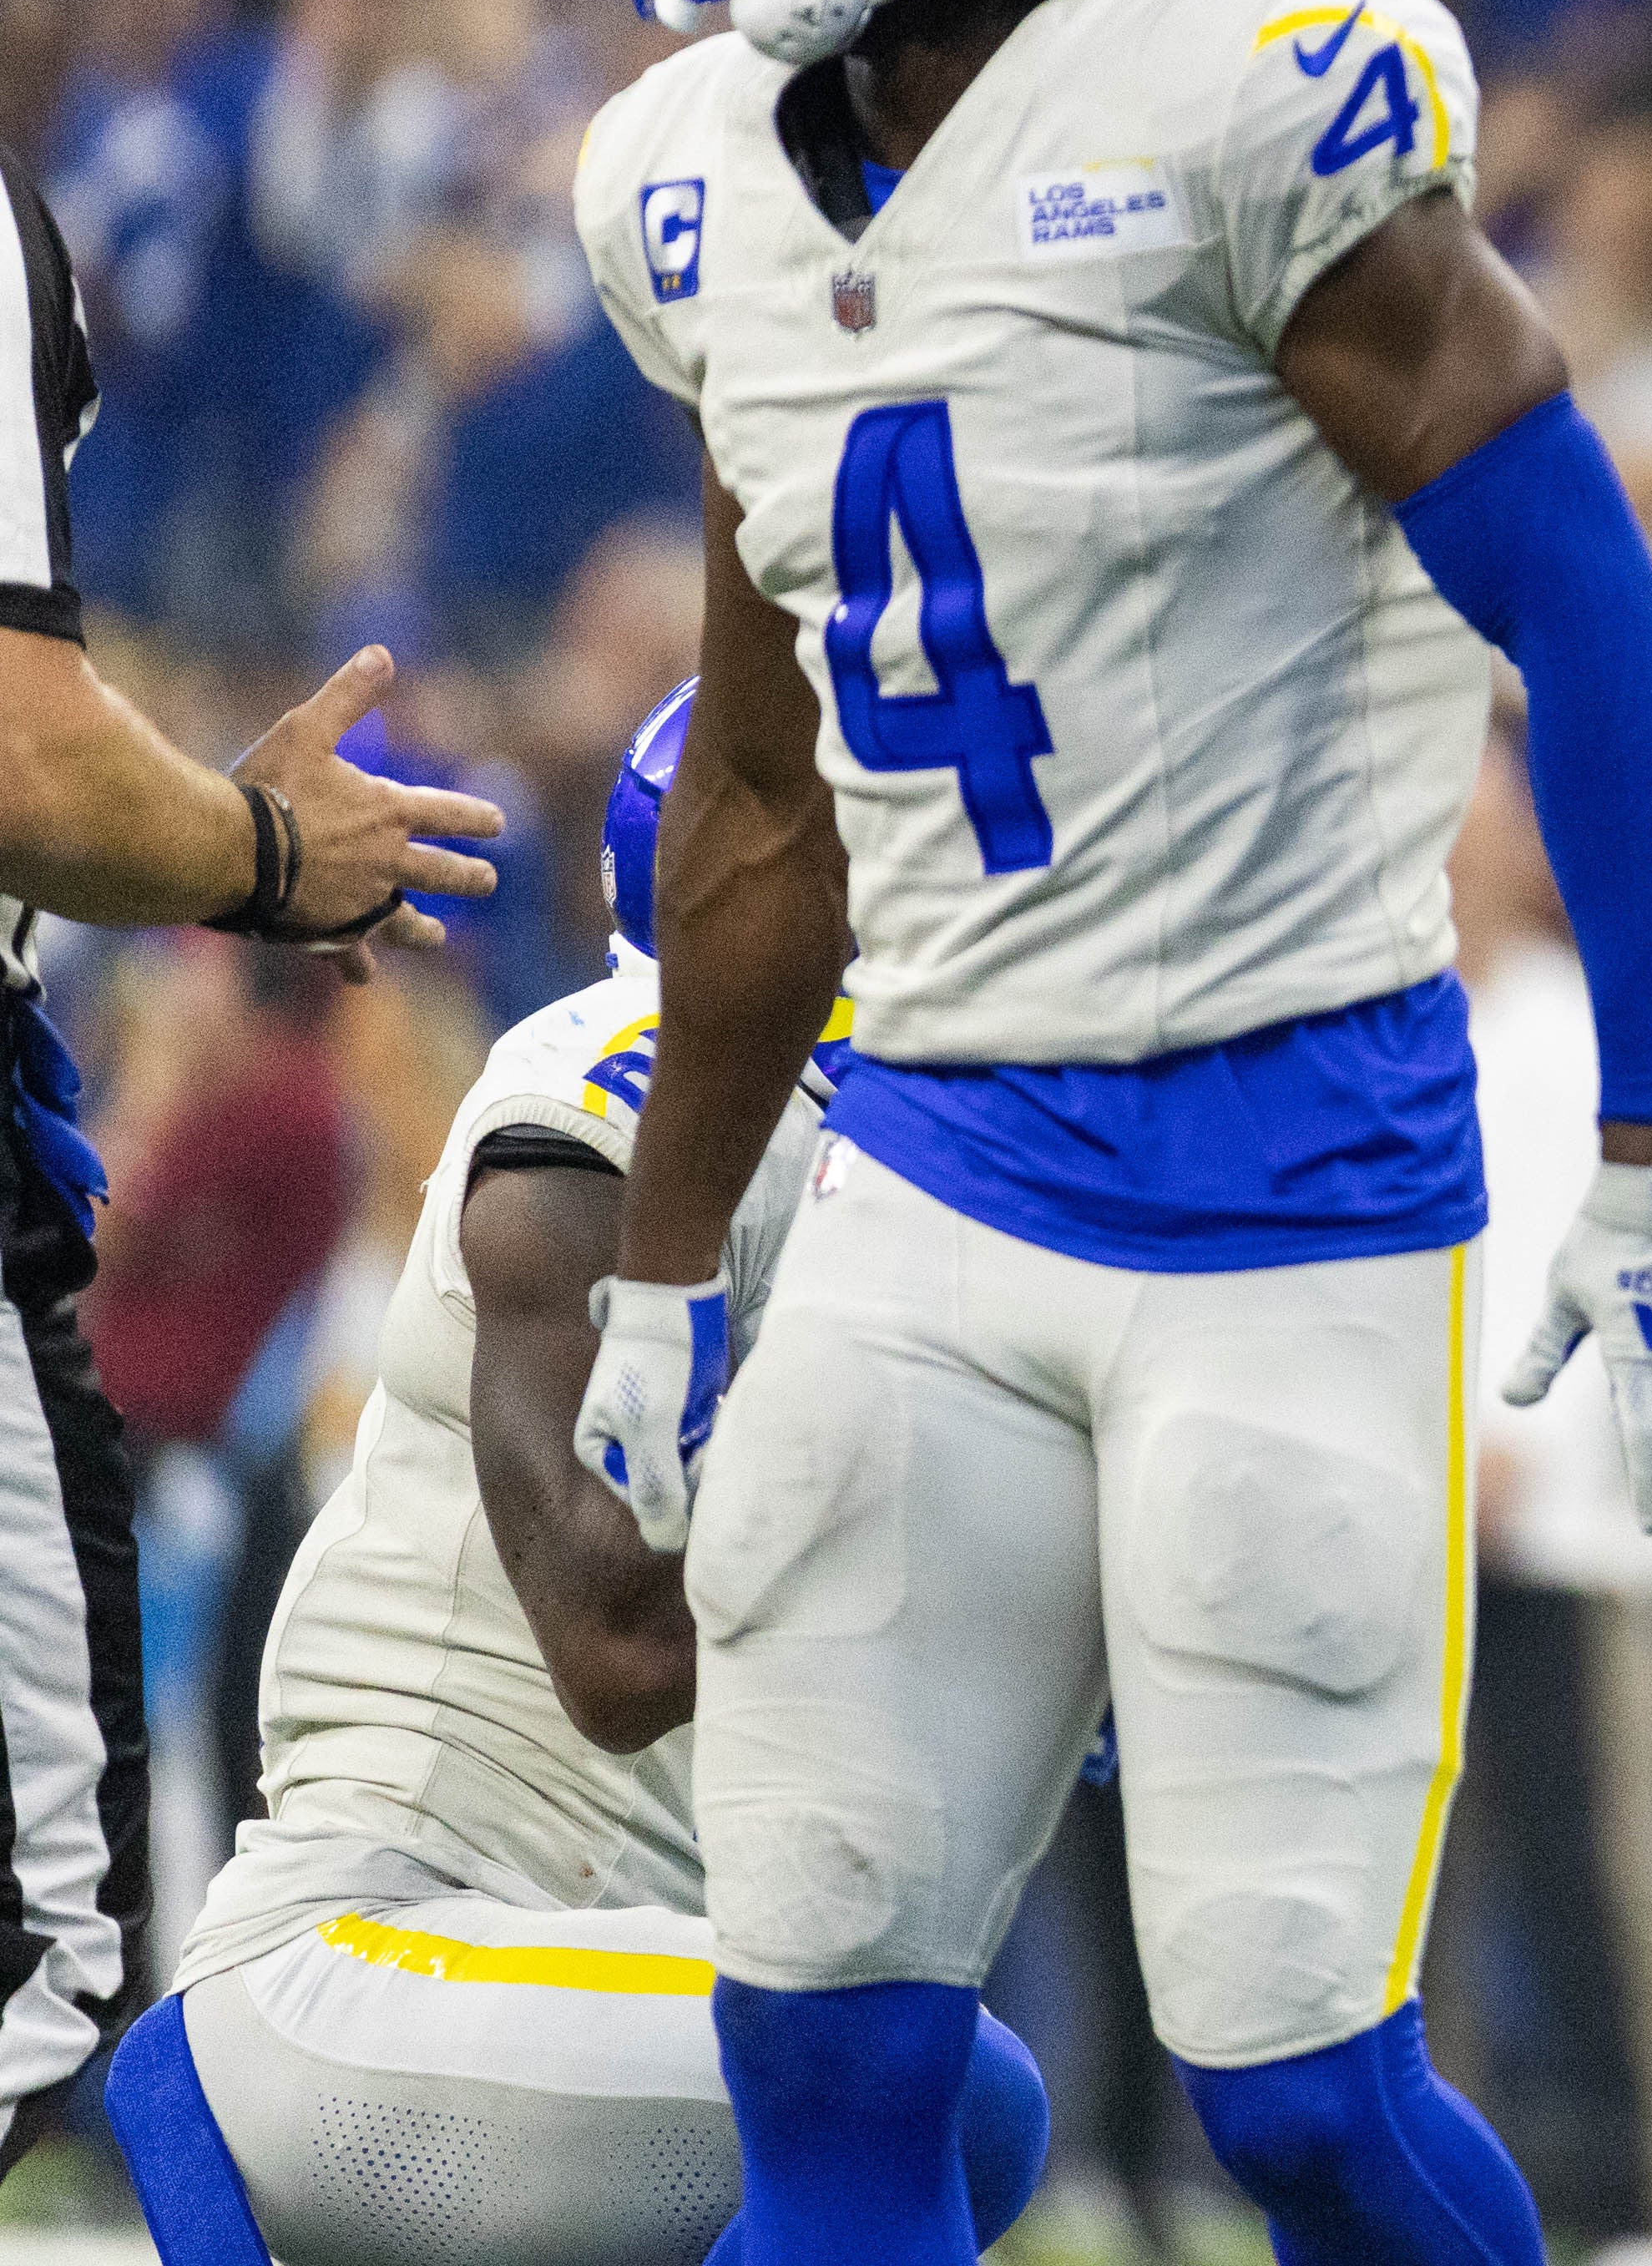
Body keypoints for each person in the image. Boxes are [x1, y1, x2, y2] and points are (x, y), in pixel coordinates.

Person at [554, 0, 1652, 2266]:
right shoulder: (703, 180)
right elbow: (766, 800)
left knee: (1301, 2098)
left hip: (1294, 1189)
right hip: (926, 1175)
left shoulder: (1249, 100)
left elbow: (1590, 620)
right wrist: (664, 1265)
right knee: (832, 2048)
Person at [105, 688, 1055, 2266]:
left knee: (912, 2081)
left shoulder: (858, 1135)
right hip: (392, 1940)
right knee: (923, 2093)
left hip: (583, 1949)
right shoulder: (619, 1097)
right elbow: (616, 1647)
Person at [0, 137, 502, 2170]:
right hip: (212, 1461)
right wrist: (264, 846)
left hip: (236, 1471)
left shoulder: (290, 1109)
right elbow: (21, 748)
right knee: (41, 1948)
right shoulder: (290, 1098)